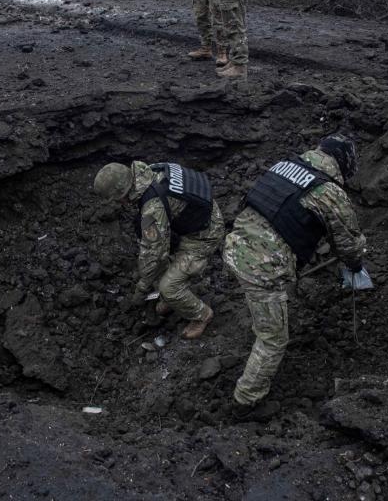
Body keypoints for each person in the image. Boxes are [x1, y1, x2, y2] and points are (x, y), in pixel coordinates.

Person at [223, 135, 367, 415]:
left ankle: (260, 318)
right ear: (344, 164)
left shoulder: (285, 166)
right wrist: (356, 265)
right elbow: (348, 244)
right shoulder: (329, 192)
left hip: (235, 247)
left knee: (265, 310)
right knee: (273, 339)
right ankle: (245, 402)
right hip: (261, 269)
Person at [93, 161, 224, 339]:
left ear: (121, 193)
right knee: (153, 247)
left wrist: (142, 287)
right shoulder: (149, 171)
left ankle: (201, 315)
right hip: (200, 213)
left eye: (117, 199)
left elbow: (154, 254)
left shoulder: (152, 209)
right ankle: (170, 299)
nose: (120, 203)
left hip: (204, 236)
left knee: (168, 287)